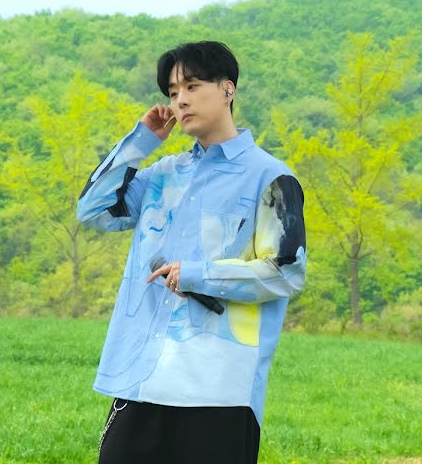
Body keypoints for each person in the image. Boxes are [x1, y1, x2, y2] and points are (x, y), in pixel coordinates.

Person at [77, 41, 307, 464]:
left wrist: (199, 274)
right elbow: (93, 211)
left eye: (192, 86)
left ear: (227, 89)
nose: (180, 100)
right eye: (172, 92)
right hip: (141, 379)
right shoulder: (163, 175)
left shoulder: (271, 178)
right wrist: (141, 141)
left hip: (219, 388)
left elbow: (286, 271)